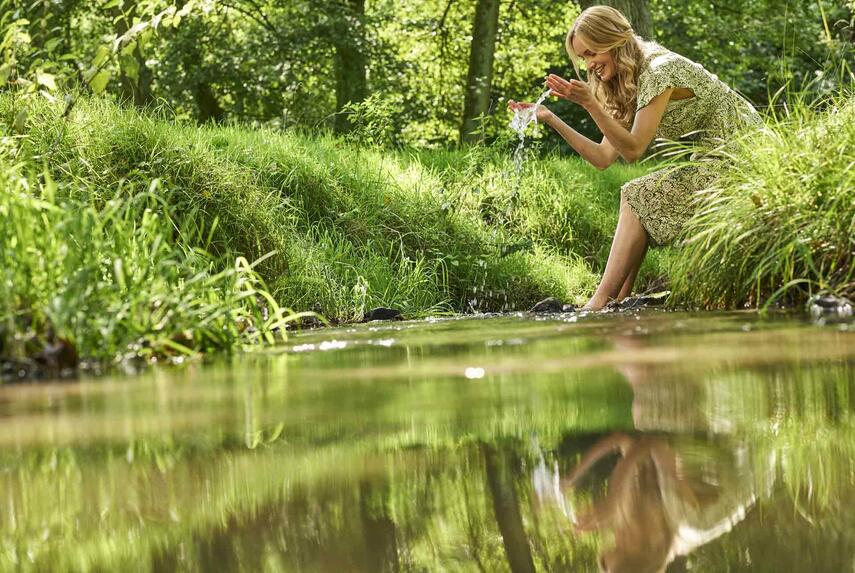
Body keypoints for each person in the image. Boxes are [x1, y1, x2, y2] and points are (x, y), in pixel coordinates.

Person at [508, 6, 762, 311]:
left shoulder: (658, 70)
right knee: (637, 196)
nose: (589, 65)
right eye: (583, 58)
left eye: (592, 53)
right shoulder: (626, 81)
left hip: (743, 148)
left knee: (635, 195)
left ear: (613, 40)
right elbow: (603, 157)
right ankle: (616, 301)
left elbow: (633, 149)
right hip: (711, 150)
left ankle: (600, 302)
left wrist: (590, 104)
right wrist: (550, 118)